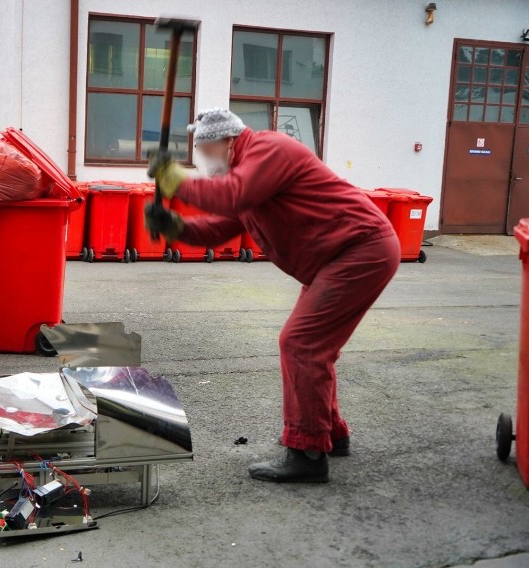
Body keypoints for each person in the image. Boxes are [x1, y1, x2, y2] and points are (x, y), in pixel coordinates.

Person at [146, 108, 400, 483]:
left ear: (228, 141)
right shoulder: (249, 172)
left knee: (301, 344)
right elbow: (223, 225)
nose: (203, 159)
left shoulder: (269, 150)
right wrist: (178, 227)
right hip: (341, 256)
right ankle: (328, 434)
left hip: (358, 250)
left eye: (206, 150)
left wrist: (174, 179)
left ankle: (308, 454)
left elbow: (232, 197)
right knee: (309, 346)